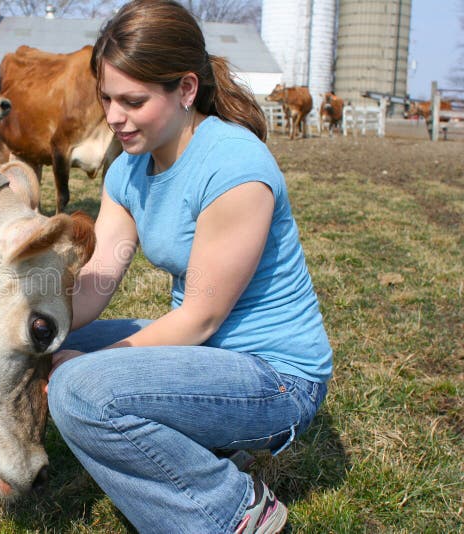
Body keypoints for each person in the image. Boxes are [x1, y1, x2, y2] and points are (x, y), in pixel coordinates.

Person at [45, 1, 333, 533]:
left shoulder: (233, 167)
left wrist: (86, 368)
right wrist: (40, 320)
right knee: (42, 351)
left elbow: (199, 318)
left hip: (274, 377)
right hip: (206, 356)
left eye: (133, 101)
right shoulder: (129, 169)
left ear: (185, 90)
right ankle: (202, 448)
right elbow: (98, 279)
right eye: (106, 98)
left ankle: (232, 511)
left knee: (79, 387)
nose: (113, 117)